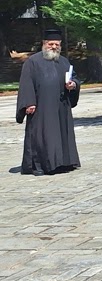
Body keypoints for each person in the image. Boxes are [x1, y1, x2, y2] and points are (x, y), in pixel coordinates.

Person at [16, 29, 81, 175]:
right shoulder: (32, 62)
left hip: (61, 106)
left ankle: (64, 162)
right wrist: (29, 102)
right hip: (41, 108)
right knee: (42, 136)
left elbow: (75, 78)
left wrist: (73, 85)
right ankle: (40, 165)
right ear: (44, 44)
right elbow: (26, 83)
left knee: (62, 134)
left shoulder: (64, 61)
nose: (54, 47)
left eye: (57, 44)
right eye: (51, 44)